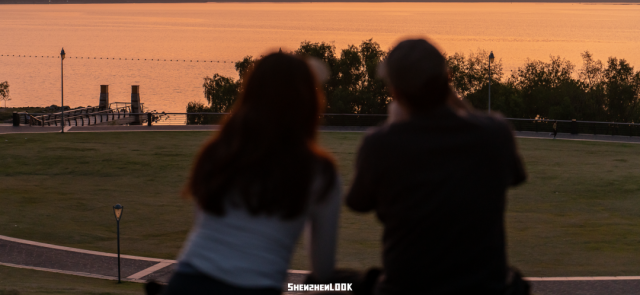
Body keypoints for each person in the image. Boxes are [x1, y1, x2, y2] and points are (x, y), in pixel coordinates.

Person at [346, 39, 528, 295]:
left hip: (404, 290)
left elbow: (358, 202)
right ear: (448, 79)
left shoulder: (380, 145)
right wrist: (457, 103)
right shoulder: (494, 135)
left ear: (394, 92)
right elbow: (516, 175)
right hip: (485, 289)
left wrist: (393, 126)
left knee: (331, 283)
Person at [156, 52, 341, 295]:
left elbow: (204, 225)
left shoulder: (219, 151)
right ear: (309, 100)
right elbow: (323, 270)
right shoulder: (320, 172)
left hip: (187, 282)